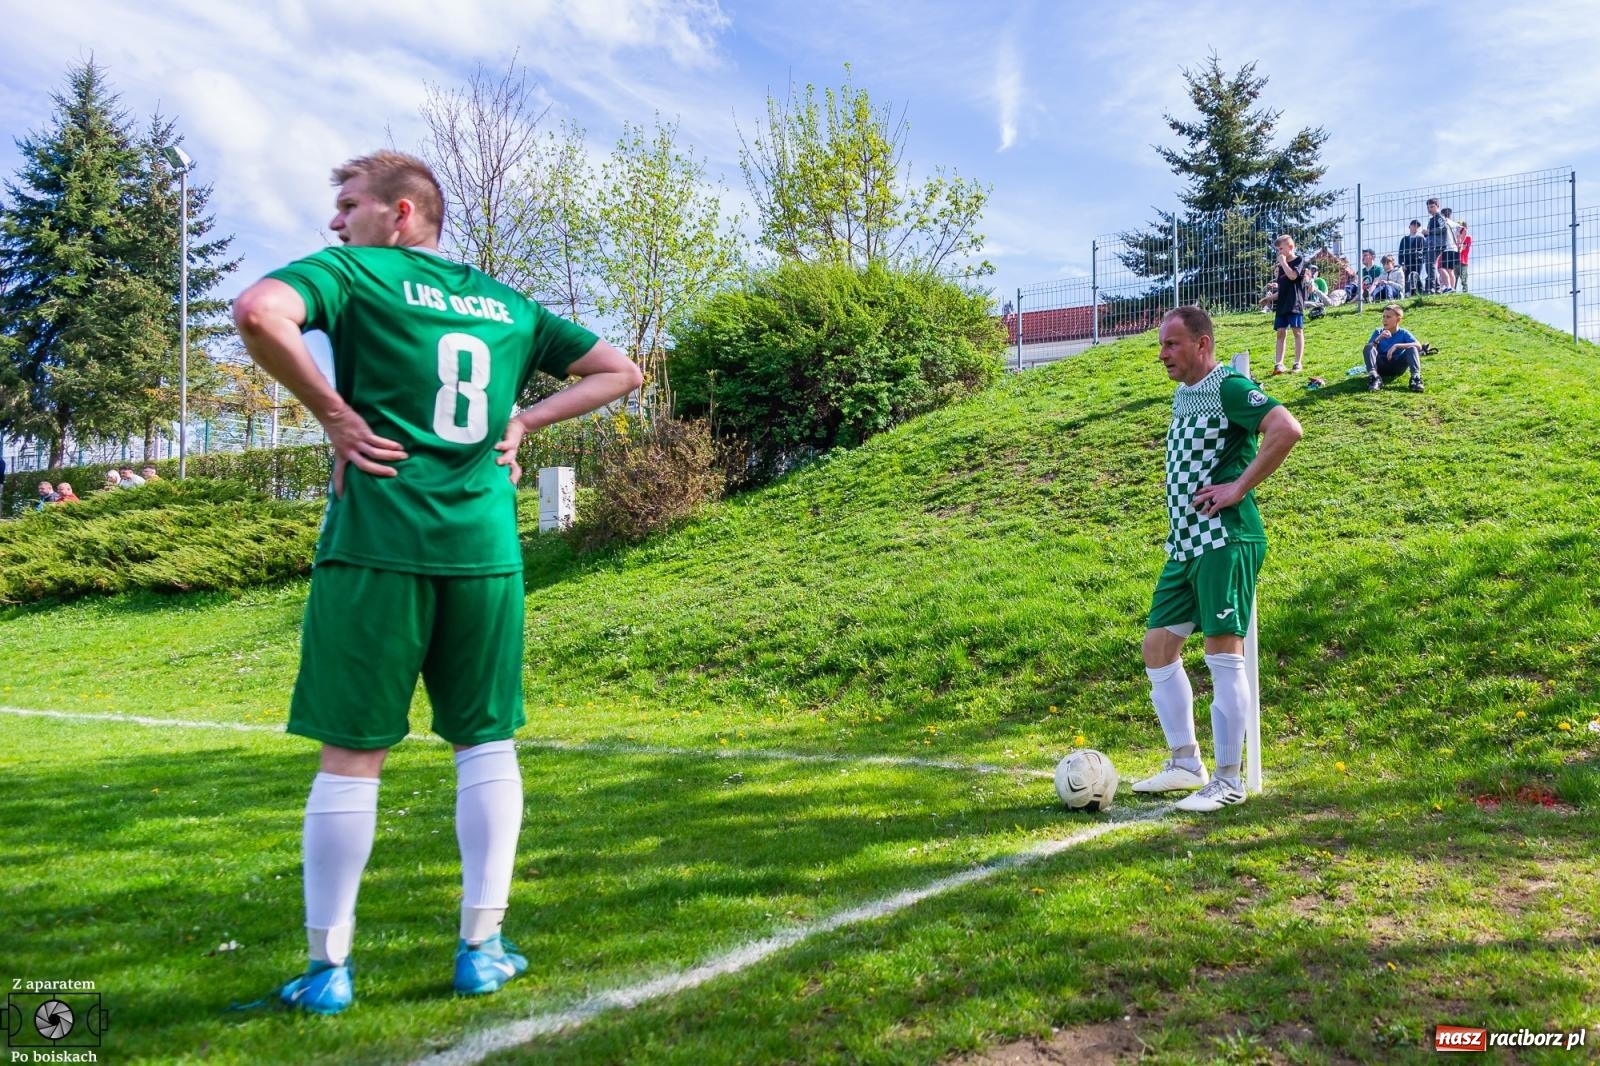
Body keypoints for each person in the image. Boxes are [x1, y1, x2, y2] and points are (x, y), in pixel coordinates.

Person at [232, 150, 641, 1015]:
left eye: (347, 205)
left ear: (402, 214)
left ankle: (328, 971)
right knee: (486, 744)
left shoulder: (355, 272)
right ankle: (481, 952)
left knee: (352, 754)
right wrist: (525, 417)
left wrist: (335, 417)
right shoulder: (505, 303)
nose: (335, 223)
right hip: (485, 549)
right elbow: (622, 370)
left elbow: (260, 312)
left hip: (379, 542)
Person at [1134, 306, 1303, 812]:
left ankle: (1229, 779)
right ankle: (1186, 762)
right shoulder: (1185, 395)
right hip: (1185, 542)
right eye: (1161, 345)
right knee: (1158, 648)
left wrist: (1236, 488)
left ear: (1202, 344)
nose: (1162, 354)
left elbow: (1286, 429)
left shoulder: (1229, 386)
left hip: (1225, 539)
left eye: (1172, 344)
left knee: (1222, 655)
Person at [1363, 303, 1426, 392]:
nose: (1384, 320)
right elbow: (1368, 350)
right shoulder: (1378, 332)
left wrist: (1397, 346)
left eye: (1388, 317)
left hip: (1398, 367)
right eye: (1383, 317)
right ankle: (1374, 378)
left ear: (1398, 319)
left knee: (1412, 348)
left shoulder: (1403, 333)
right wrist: (1378, 339)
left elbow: (1419, 346)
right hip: (1381, 367)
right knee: (1369, 347)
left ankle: (1415, 379)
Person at [1270, 234, 1305, 374]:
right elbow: (1282, 289)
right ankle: (1279, 363)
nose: (1280, 252)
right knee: (1280, 332)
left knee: (1297, 331)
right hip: (1282, 304)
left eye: (1281, 249)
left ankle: (1297, 363)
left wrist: (1283, 263)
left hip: (1295, 303)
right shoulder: (1280, 267)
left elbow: (1292, 276)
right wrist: (1269, 298)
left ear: (1290, 247)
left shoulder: (1299, 260)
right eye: (1278, 250)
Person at [1424, 199, 1448, 292]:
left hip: (1437, 245)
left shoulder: (1439, 217)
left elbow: (1444, 228)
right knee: (1430, 265)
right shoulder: (1432, 219)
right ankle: (1436, 288)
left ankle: (1432, 287)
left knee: (1431, 264)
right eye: (1428, 207)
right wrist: (1426, 234)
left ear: (1438, 206)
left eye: (1432, 206)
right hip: (1432, 244)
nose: (1430, 209)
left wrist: (1430, 231)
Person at [1398, 221, 1428, 296]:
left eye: (1417, 226)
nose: (1415, 228)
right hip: (1407, 262)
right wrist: (1402, 264)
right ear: (1410, 227)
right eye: (1414, 226)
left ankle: (1417, 291)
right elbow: (1400, 253)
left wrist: (1422, 260)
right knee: (1406, 278)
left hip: (1417, 262)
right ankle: (1408, 293)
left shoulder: (1421, 239)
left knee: (1416, 276)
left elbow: (1425, 251)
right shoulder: (1404, 239)